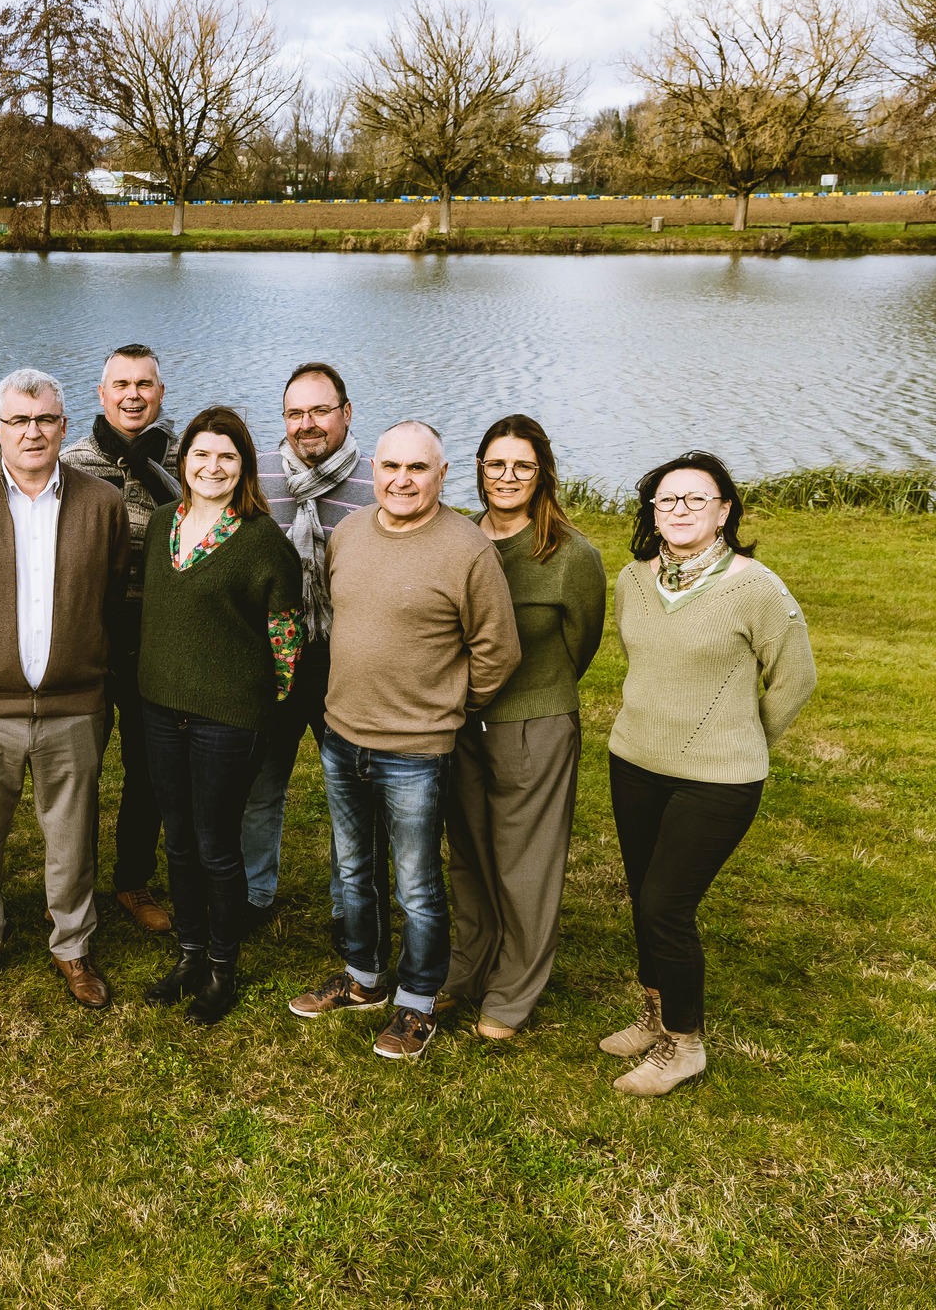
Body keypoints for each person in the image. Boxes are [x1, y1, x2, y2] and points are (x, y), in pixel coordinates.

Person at [286, 421, 520, 1063]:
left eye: (418, 468)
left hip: (417, 751)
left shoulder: (467, 550)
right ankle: (363, 978)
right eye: (390, 467)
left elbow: (498, 650)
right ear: (374, 472)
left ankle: (417, 1002)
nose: (402, 480)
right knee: (352, 870)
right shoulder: (353, 533)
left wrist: (447, 708)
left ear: (442, 475)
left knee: (417, 883)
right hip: (342, 735)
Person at [601, 451, 814, 1096]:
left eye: (697, 499)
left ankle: (684, 1044)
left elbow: (795, 678)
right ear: (652, 513)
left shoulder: (756, 587)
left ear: (724, 511)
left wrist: (744, 739)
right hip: (635, 761)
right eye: (668, 500)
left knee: (667, 904)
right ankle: (654, 1012)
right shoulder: (633, 582)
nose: (681, 510)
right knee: (643, 895)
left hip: (717, 779)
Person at [0, 368, 128, 1010]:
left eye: (45, 420)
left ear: (64, 426)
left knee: (72, 837)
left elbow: (113, 595)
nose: (33, 432)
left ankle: (73, 946)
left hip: (74, 704)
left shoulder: (103, 505)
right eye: (19, 420)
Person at [442, 416, 606, 1040]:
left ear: (542, 475)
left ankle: (512, 993)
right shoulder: (456, 538)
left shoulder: (572, 555)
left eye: (522, 467)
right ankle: (468, 966)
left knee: (525, 864)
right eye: (495, 465)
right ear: (479, 470)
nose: (507, 478)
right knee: (469, 854)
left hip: (534, 723)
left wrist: (540, 695)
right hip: (460, 722)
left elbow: (580, 642)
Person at [136, 409, 302, 1024]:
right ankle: (188, 954)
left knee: (216, 845)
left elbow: (287, 636)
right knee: (176, 841)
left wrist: (266, 705)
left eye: (227, 457)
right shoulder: (160, 526)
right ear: (183, 464)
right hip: (160, 707)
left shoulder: (262, 541)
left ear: (244, 467)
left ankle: (222, 967)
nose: (213, 467)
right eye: (202, 455)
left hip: (227, 718)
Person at [244, 362, 377, 942]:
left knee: (351, 791)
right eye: (296, 413)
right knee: (258, 787)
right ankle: (252, 893)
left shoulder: (381, 479)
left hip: (348, 659)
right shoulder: (254, 476)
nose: (308, 424)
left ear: (346, 413)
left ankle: (350, 904)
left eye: (321, 410)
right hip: (269, 657)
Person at [60, 343, 177, 933]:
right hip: (88, 630)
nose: (133, 395)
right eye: (121, 384)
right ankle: (72, 886)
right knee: (78, 764)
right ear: (101, 394)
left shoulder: (189, 459)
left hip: (159, 631)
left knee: (148, 765)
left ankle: (133, 879)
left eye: (145, 384)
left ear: (160, 392)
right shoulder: (72, 462)